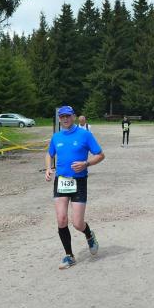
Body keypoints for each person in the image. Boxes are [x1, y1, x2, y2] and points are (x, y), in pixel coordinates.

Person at [45, 105, 105, 269]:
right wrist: (48, 168)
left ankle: (89, 235)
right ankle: (69, 256)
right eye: (62, 117)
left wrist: (86, 163)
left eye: (68, 116)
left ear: (73, 117)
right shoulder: (56, 137)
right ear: (59, 119)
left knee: (77, 223)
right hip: (61, 181)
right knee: (61, 219)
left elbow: (100, 155)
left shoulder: (85, 135)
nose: (65, 119)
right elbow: (49, 154)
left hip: (79, 181)